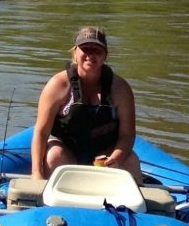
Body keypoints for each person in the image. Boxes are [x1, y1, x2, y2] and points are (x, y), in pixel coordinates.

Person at [31, 26, 143, 183]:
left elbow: (127, 134)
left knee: (131, 160)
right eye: (85, 49)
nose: (90, 55)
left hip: (105, 154)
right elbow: (41, 132)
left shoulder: (120, 89)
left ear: (105, 55)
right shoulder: (57, 85)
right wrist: (36, 172)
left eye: (97, 50)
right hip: (68, 151)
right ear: (75, 52)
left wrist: (116, 158)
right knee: (53, 155)